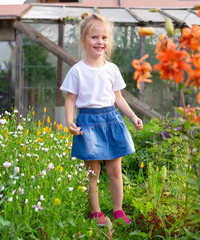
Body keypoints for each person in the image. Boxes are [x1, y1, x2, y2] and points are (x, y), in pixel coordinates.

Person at [60, 12, 143, 226]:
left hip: (112, 120)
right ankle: (96, 212)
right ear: (83, 40)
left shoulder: (112, 69)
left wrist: (133, 116)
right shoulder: (77, 71)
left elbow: (118, 98)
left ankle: (118, 210)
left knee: (115, 170)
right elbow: (71, 99)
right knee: (92, 172)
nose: (100, 42)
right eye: (94, 37)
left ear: (109, 41)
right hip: (87, 123)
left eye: (104, 37)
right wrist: (70, 121)